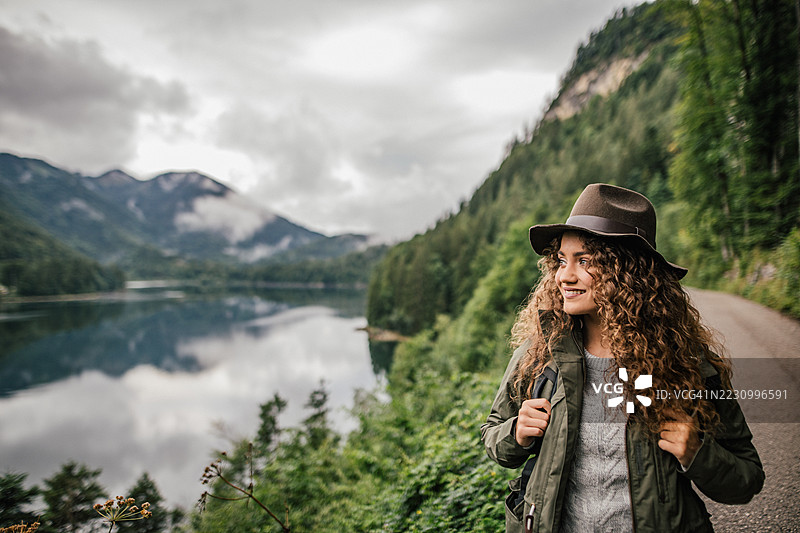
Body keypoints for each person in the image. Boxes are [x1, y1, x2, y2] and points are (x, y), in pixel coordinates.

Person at [480, 183, 764, 533]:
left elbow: (747, 478)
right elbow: (493, 436)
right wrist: (517, 434)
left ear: (628, 272)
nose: (564, 276)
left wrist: (697, 453)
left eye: (584, 261)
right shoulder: (540, 354)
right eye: (561, 260)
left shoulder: (685, 364)